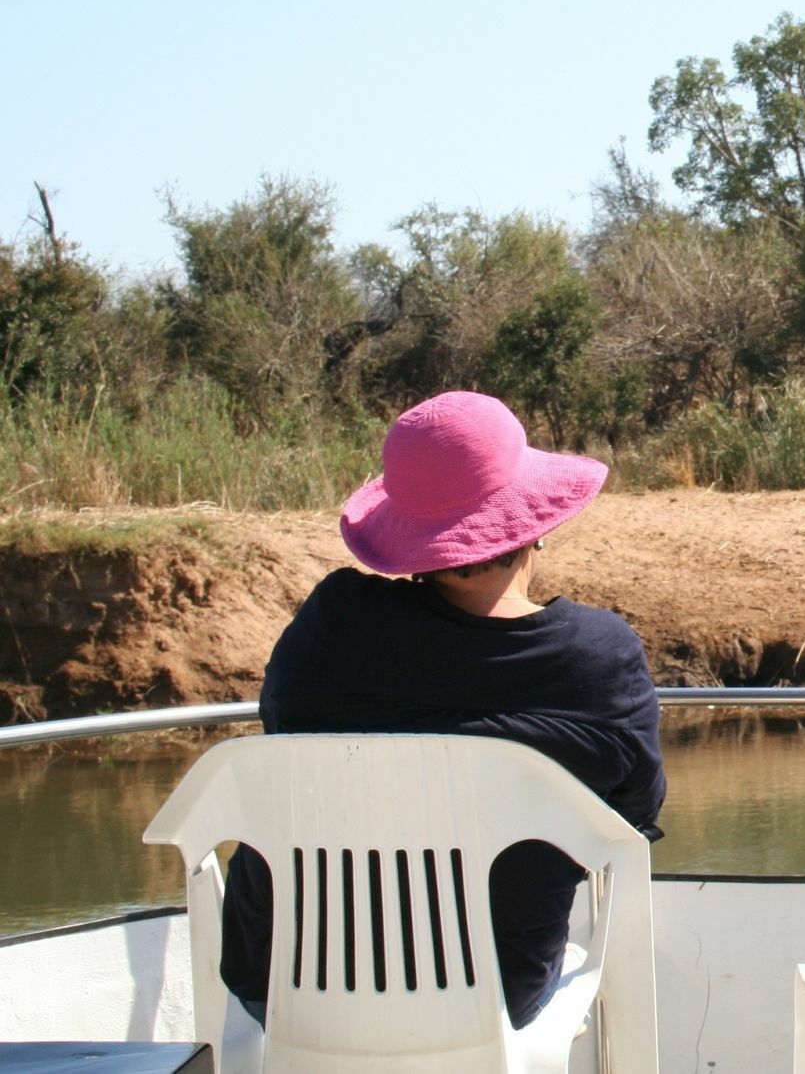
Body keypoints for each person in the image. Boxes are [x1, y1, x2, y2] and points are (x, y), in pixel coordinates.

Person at [219, 390, 666, 1027]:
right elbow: (631, 821)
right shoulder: (599, 661)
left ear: (411, 536)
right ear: (534, 524)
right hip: (486, 998)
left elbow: (283, 725)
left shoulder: (333, 626)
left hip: (286, 984)